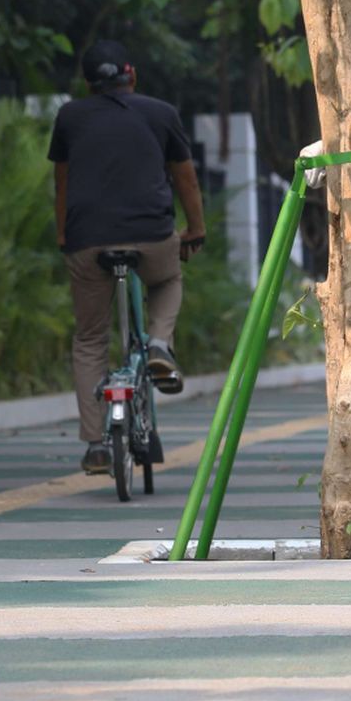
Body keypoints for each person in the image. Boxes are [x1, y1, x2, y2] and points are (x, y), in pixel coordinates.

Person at [48, 40, 206, 474]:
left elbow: (62, 182)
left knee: (89, 338)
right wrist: (195, 229)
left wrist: (65, 236)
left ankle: (97, 444)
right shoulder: (161, 113)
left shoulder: (69, 117)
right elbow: (186, 180)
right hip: (152, 236)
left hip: (88, 242)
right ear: (131, 73)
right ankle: (159, 343)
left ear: (88, 84)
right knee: (169, 280)